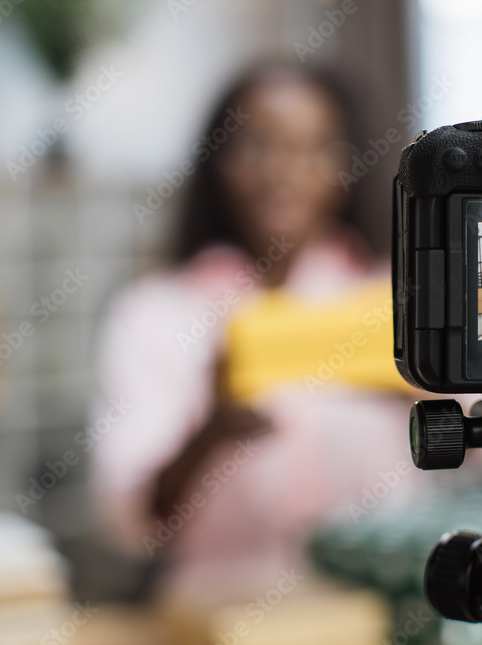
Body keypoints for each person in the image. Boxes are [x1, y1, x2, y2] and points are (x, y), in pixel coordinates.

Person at [88, 61, 426, 604]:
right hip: (218, 622)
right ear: (215, 162)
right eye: (256, 146)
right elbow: (133, 523)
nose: (284, 172)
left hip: (377, 615)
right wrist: (211, 433)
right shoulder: (155, 313)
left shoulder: (399, 303)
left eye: (317, 148)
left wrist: (420, 382)